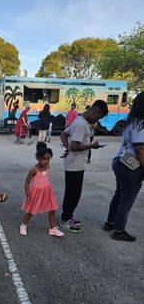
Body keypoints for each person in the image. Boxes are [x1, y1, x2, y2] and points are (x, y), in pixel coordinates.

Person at [60, 100, 109, 232]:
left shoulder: (80, 120)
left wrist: (67, 148)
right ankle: (65, 220)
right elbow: (75, 146)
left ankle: (68, 216)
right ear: (95, 111)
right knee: (73, 194)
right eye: (98, 117)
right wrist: (92, 146)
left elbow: (64, 134)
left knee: (73, 193)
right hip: (74, 165)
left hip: (75, 163)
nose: (97, 120)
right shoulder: (81, 124)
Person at [104, 92, 144, 242]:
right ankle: (119, 231)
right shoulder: (141, 125)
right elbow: (140, 150)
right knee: (127, 200)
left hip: (121, 162)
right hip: (131, 167)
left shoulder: (131, 122)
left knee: (119, 194)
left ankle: (110, 223)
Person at [20, 146, 64, 237]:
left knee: (52, 210)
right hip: (36, 193)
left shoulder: (47, 166)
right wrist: (28, 196)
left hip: (47, 191)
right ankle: (23, 225)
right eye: (44, 159)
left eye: (48, 159)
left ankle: (53, 229)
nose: (46, 161)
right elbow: (27, 182)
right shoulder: (33, 170)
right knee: (31, 211)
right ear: (38, 158)